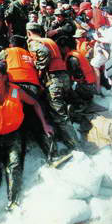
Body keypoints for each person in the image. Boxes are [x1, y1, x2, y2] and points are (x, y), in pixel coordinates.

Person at [0, 61, 53, 211]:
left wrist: (44, 124)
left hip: (14, 134)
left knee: (14, 167)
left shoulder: (15, 92)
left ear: (5, 77)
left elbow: (35, 104)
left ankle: (13, 201)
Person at [26, 22, 81, 152]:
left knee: (60, 115)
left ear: (29, 33)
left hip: (54, 79)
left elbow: (44, 53)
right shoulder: (48, 40)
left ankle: (76, 146)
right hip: (64, 77)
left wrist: (36, 64)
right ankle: (67, 133)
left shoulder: (33, 42)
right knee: (60, 108)